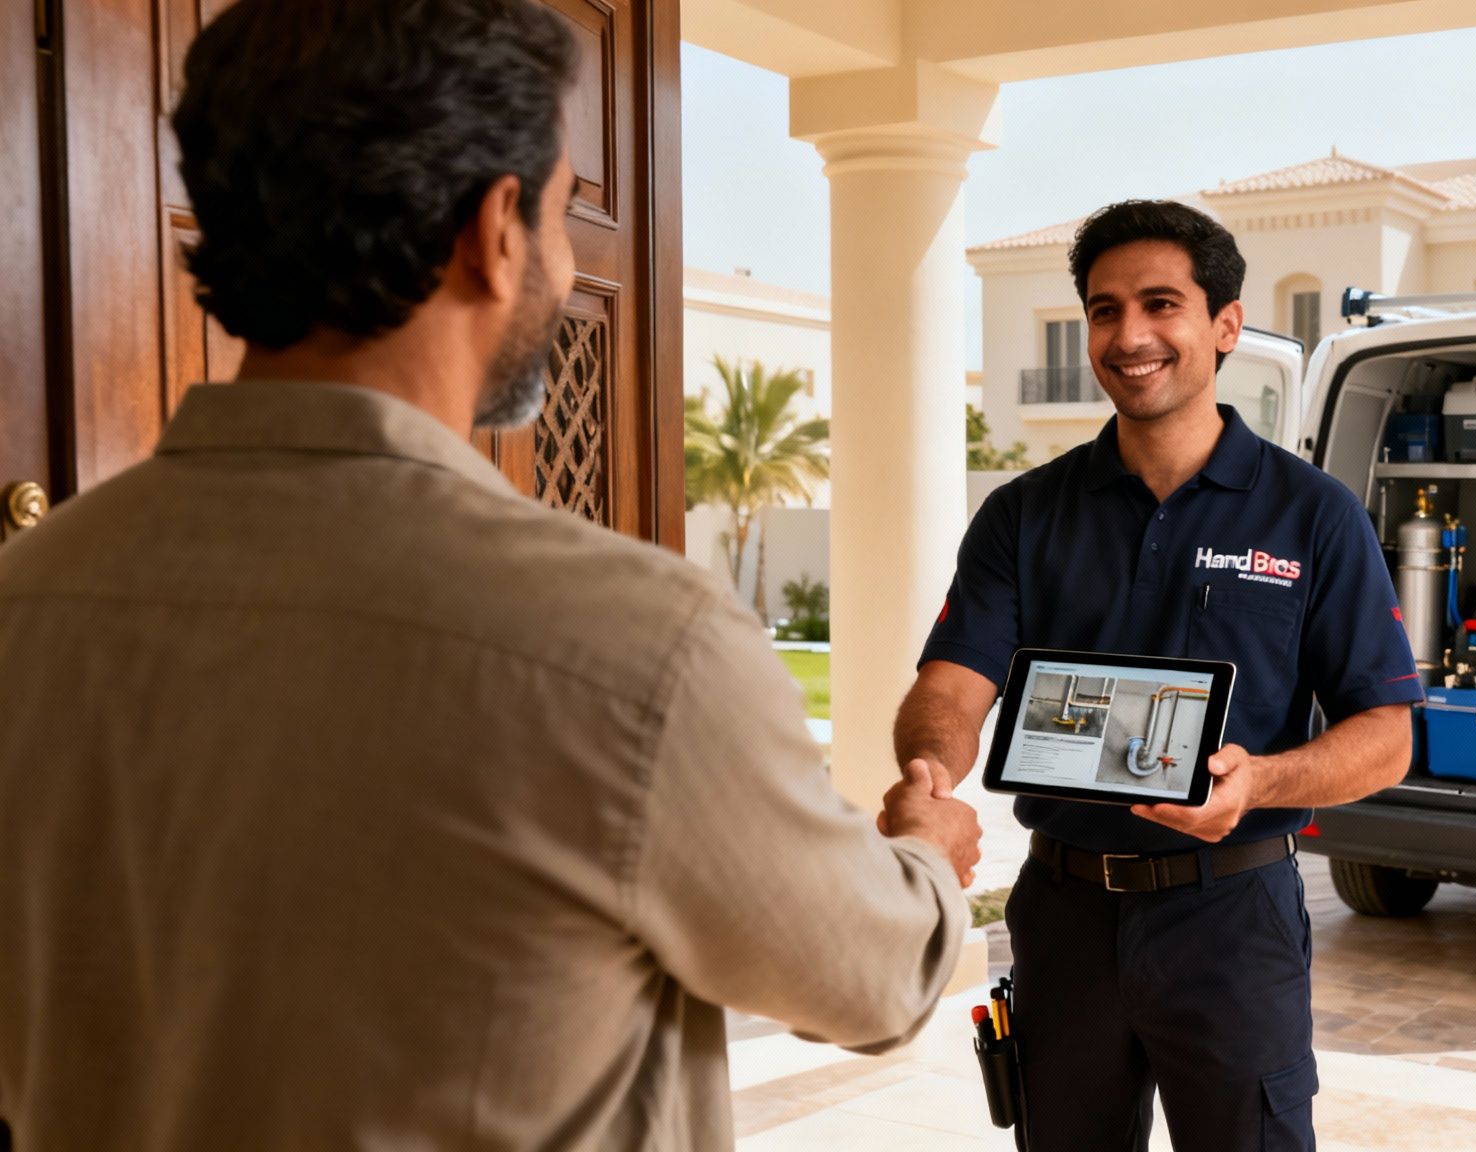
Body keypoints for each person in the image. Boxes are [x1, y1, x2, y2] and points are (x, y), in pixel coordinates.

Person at [0, 2, 980, 1149]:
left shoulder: (29, 607)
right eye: (565, 214)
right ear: (494, 229)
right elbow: (867, 981)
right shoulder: (636, 644)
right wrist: (926, 855)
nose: (567, 268)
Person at [891, 200, 1421, 1150]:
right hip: (1062, 918)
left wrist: (1262, 780)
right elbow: (951, 685)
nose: (1129, 335)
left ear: (1224, 324)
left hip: (1232, 916)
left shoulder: (1315, 517)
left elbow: (1386, 736)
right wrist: (929, 777)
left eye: (1160, 304)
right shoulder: (1023, 515)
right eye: (1104, 310)